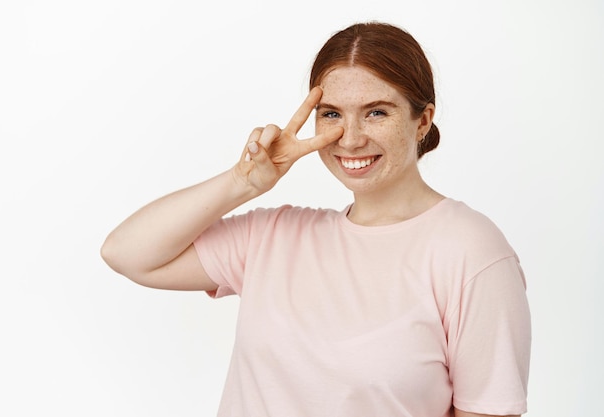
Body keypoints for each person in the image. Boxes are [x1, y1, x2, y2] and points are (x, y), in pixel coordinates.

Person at [101, 21, 531, 417]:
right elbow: (127, 253)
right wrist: (241, 183)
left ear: (423, 121)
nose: (352, 137)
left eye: (377, 111)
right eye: (332, 114)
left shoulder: (471, 251)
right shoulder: (274, 236)